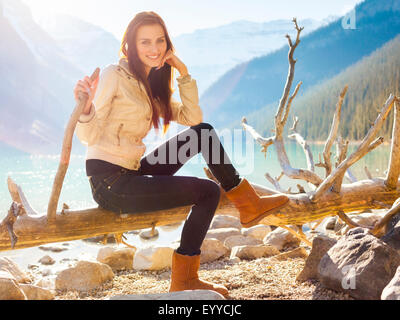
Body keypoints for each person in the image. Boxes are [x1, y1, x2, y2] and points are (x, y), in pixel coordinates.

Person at [73, 11, 289, 297]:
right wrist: (86, 107)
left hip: (133, 169)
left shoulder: (148, 85)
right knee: (208, 192)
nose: (154, 48)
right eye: (145, 42)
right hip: (111, 182)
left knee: (202, 132)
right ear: (130, 46)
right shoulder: (114, 74)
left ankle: (247, 202)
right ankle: (185, 278)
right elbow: (87, 136)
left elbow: (191, 116)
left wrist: (184, 73)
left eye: (160, 41)